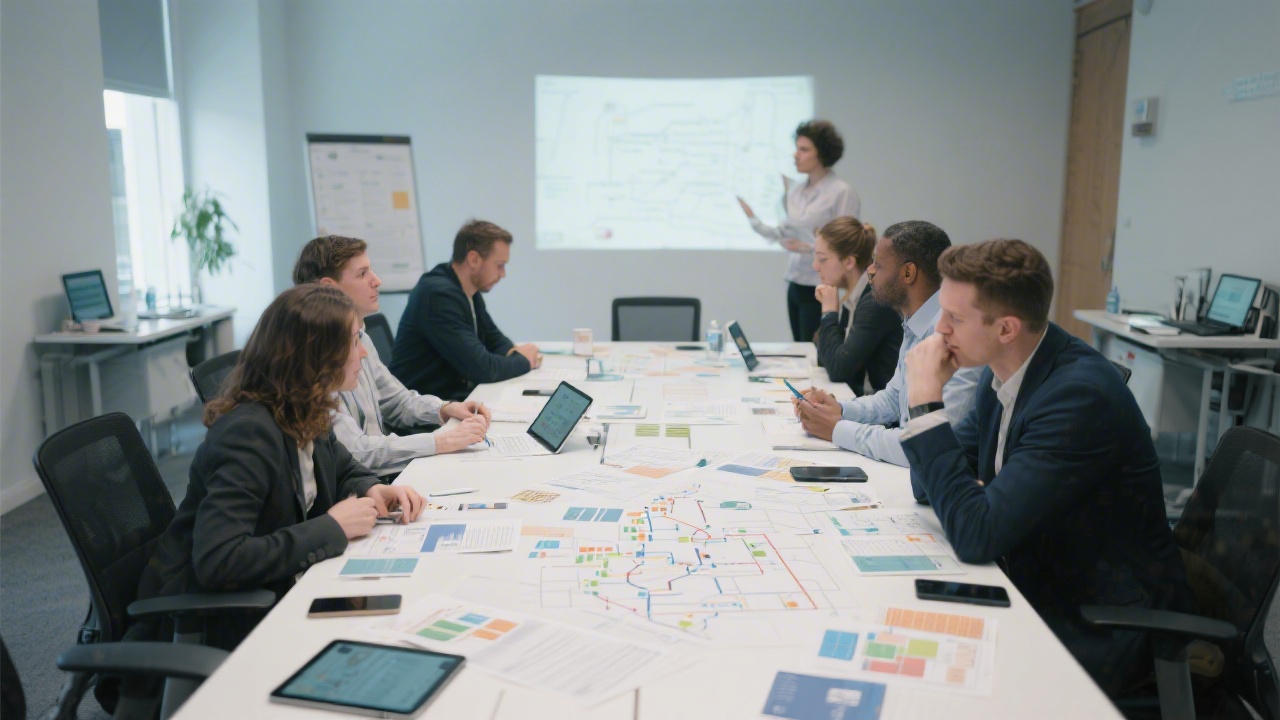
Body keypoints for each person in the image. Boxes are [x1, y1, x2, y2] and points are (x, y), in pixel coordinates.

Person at [899, 239, 1191, 695]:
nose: (938, 329)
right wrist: (967, 490)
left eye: (954, 318)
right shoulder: (1002, 371)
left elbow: (976, 534)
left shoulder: (1078, 397)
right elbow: (929, 488)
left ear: (1007, 328)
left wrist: (924, 406)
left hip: (1098, 622)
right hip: (1033, 573)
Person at [134, 284, 425, 649]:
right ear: (317, 356)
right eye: (354, 342)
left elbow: (342, 466)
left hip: (284, 586)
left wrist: (372, 487)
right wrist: (331, 527)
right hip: (222, 621)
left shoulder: (305, 408)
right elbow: (219, 559)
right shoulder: (248, 436)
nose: (364, 353)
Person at [293, 235, 491, 479]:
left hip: (377, 481)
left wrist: (444, 409)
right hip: (361, 489)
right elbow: (356, 453)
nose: (377, 281)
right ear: (329, 288)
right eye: (362, 274)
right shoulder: (313, 358)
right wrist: (439, 442)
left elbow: (397, 402)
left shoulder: (363, 338)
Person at [794, 221, 982, 467]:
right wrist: (839, 409)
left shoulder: (951, 335)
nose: (870, 271)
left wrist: (837, 429)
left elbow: (920, 446)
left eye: (878, 265)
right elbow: (894, 399)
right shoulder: (914, 319)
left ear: (908, 273)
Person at [738, 120, 860, 342]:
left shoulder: (841, 192)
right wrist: (754, 221)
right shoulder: (795, 191)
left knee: (814, 352)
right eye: (796, 148)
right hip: (795, 281)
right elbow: (785, 233)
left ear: (822, 153)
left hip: (820, 284)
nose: (796, 155)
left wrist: (811, 248)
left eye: (804, 150)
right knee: (799, 348)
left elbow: (849, 241)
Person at [390, 220, 539, 400]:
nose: (502, 274)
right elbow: (482, 369)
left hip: (453, 400)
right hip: (424, 411)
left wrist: (512, 352)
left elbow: (493, 338)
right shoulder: (438, 295)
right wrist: (523, 360)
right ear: (474, 259)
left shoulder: (468, 289)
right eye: (499, 265)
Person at [811, 216, 902, 394]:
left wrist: (829, 312)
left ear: (849, 262)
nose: (815, 266)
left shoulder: (874, 301)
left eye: (822, 259)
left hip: (882, 411)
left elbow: (839, 370)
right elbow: (827, 359)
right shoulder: (854, 296)